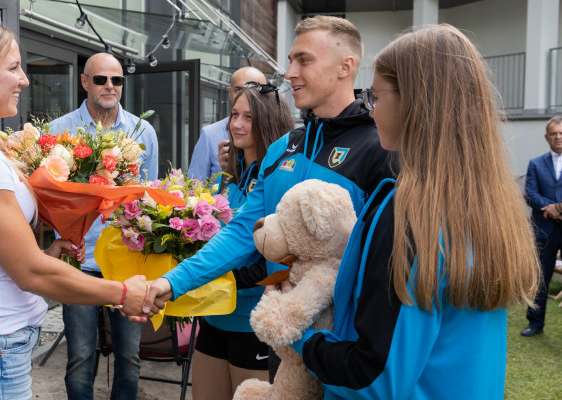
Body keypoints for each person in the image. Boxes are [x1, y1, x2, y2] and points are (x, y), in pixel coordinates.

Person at [280, 24, 540, 398]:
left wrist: (302, 335)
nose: (370, 110)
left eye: (375, 96)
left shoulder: (409, 214)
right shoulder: (486, 203)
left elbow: (374, 378)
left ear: (415, 103)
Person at [0, 19, 149, 400]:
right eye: (12, 67)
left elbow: (2, 256)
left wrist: (45, 251)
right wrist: (122, 293)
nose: (24, 80)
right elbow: (29, 272)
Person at [144, 15, 396, 380]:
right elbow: (241, 231)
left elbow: (383, 265)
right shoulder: (284, 147)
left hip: (342, 351)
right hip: (284, 340)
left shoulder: (379, 148)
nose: (290, 72)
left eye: (304, 60)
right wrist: (171, 283)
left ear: (346, 67)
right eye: (291, 60)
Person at [46, 52, 159, 400]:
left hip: (127, 261)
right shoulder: (58, 131)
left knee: (130, 357)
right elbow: (48, 199)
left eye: (117, 80)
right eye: (100, 79)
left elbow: (149, 200)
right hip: (79, 259)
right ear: (84, 82)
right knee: (79, 356)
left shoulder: (143, 131)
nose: (109, 86)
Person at [192, 82, 294, 399]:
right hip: (215, 316)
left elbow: (275, 261)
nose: (237, 124)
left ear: (268, 122)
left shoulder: (280, 179)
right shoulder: (235, 176)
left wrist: (216, 277)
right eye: (234, 114)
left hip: (253, 325)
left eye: (248, 117)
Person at [522, 116, 562, 343]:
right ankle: (535, 322)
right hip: (544, 230)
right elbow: (530, 193)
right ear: (547, 137)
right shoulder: (536, 163)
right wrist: (550, 209)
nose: (558, 136)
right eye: (553, 133)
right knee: (539, 278)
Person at [188, 67, 267, 182]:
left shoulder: (280, 136)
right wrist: (225, 172)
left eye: (253, 89)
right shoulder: (210, 135)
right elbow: (193, 188)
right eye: (239, 89)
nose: (245, 95)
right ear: (230, 93)